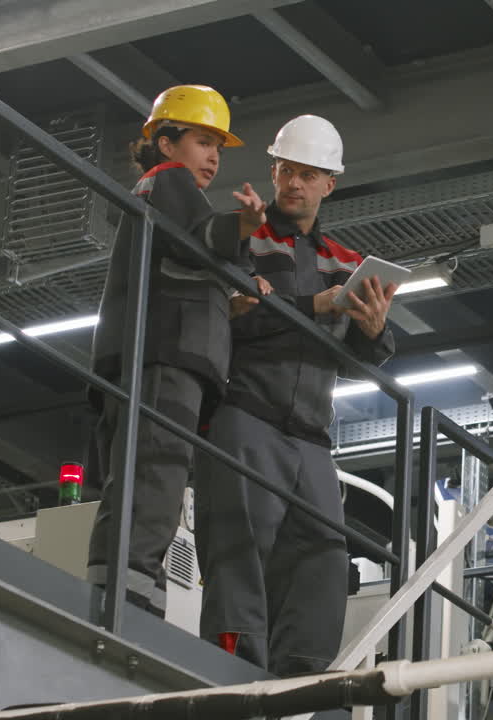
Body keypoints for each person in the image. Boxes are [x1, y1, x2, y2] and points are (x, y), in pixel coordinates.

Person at [195, 114, 397, 676]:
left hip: (311, 437)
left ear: (329, 183)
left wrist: (373, 331)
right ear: (274, 171)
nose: (294, 184)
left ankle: (300, 686)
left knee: (324, 557)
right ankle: (232, 675)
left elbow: (361, 358)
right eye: (286, 171)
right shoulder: (243, 238)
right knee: (239, 549)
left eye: (308, 175)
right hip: (247, 413)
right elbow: (232, 317)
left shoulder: (346, 262)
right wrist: (315, 306)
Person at [86, 85, 270, 618]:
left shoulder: (167, 194)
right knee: (155, 472)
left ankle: (132, 590)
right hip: (165, 356)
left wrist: (234, 295)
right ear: (166, 143)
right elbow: (202, 237)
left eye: (218, 146)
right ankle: (127, 599)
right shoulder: (169, 180)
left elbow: (186, 258)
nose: (213, 156)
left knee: (149, 474)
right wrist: (244, 227)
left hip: (162, 354)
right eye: (202, 141)